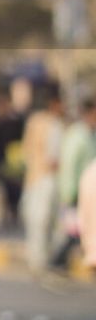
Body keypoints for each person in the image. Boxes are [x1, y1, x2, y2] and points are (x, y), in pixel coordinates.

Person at [20, 84, 64, 275]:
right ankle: (38, 259)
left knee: (46, 220)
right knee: (40, 218)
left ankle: (43, 258)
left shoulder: (53, 123)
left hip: (45, 178)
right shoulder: (44, 122)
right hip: (42, 177)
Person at [50, 97, 96, 271]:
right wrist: (69, 193)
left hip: (89, 192)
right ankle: (56, 262)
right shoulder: (78, 135)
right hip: (76, 191)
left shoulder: (91, 134)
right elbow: (69, 165)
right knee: (73, 229)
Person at [0, 91, 26, 227]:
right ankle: (8, 215)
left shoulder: (16, 123)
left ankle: (14, 214)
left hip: (14, 164)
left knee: (14, 191)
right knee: (4, 192)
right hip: (0, 164)